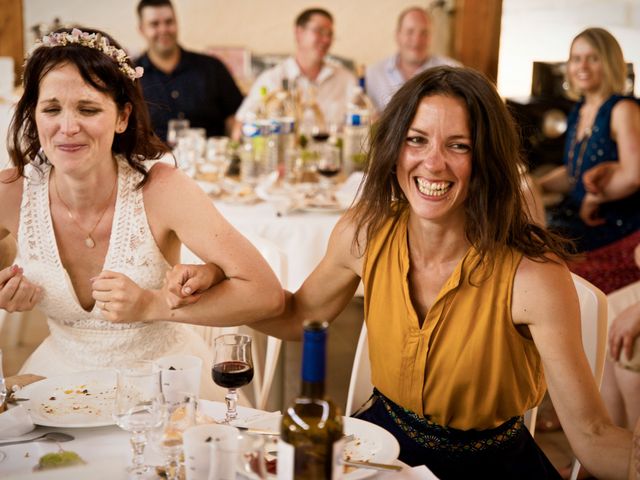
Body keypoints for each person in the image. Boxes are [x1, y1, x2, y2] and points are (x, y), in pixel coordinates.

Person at [170, 66, 633, 478]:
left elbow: (591, 436)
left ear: (486, 161)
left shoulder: (533, 276)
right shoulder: (364, 233)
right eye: (416, 139)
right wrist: (217, 284)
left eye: (459, 146)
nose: (433, 163)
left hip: (489, 464)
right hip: (380, 450)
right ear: (394, 148)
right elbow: (297, 316)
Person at [0, 27, 283, 401]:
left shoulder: (163, 190)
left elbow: (265, 294)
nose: (67, 127)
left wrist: (154, 305)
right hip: (59, 389)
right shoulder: (10, 192)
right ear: (34, 115)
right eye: (51, 108)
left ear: (122, 117)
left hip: (164, 387)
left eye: (88, 109)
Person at [538, 27, 640, 295]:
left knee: (548, 273)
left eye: (592, 58)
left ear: (609, 63)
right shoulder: (579, 110)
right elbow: (574, 172)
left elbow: (634, 175)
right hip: (578, 220)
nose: (582, 66)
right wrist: (538, 185)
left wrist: (595, 196)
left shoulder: (622, 108)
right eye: (576, 58)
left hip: (614, 227)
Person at [232, 8, 356, 139]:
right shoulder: (272, 79)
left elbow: (370, 123)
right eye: (319, 31)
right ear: (299, 33)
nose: (326, 40)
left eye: (329, 34)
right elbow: (240, 128)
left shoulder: (346, 80)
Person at [136, 0, 243, 141]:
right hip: (151, 161)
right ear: (142, 30)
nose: (163, 30)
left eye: (169, 22)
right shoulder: (130, 76)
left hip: (211, 160)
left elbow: (236, 117)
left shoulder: (212, 67)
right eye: (154, 24)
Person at [365, 6, 460, 113]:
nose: (416, 40)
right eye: (410, 32)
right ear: (397, 35)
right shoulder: (373, 74)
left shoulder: (453, 71)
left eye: (424, 33)